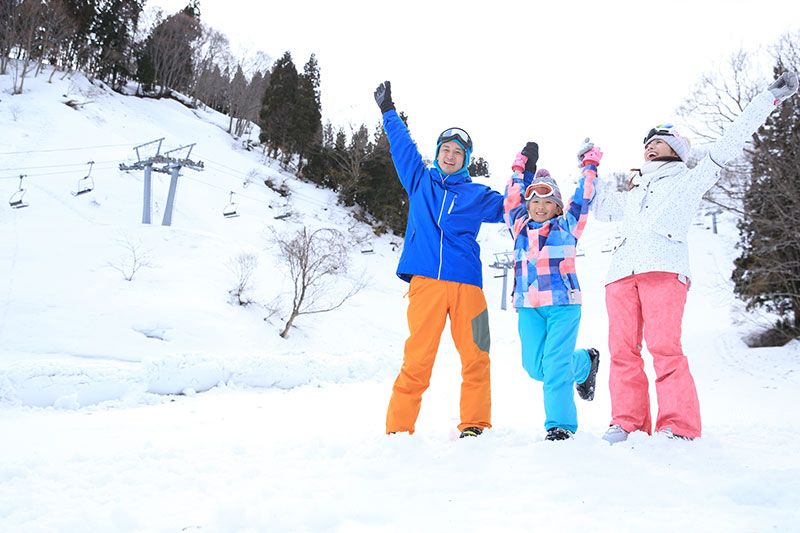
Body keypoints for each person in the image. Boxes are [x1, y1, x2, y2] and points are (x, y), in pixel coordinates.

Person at [592, 71, 799, 443]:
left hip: (664, 271)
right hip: (621, 274)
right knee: (622, 350)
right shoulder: (632, 191)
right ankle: (626, 422)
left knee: (664, 348)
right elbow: (600, 209)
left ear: (679, 149)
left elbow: (729, 143)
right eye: (648, 143)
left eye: (660, 141)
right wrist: (587, 169)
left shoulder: (691, 179)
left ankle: (678, 425)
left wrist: (768, 99)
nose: (650, 146)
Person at [374, 81, 509, 438]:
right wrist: (389, 112)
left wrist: (526, 176)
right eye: (445, 149)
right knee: (418, 359)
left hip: (469, 288)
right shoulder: (420, 181)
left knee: (477, 355)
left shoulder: (478, 194)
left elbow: (514, 208)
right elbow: (402, 147)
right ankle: (399, 429)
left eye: (458, 152)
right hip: (426, 286)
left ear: (466, 159)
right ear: (438, 152)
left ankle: (475, 425)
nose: (450, 155)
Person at [503, 140, 602, 441]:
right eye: (535, 201)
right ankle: (585, 362)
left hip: (563, 305)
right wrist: (521, 168)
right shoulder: (518, 226)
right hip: (529, 306)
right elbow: (510, 200)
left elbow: (583, 199)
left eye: (548, 202)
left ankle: (559, 425)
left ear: (557, 206)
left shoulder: (567, 226)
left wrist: (590, 167)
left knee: (555, 365)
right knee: (536, 367)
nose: (541, 207)